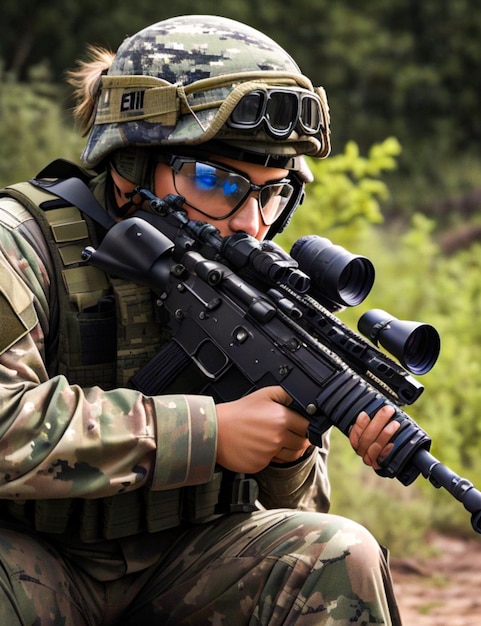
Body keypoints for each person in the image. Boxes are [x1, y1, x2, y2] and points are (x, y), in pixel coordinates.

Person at [0, 15, 402, 625]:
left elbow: (302, 508)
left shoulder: (253, 281)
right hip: (36, 561)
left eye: (274, 191)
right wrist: (210, 431)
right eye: (217, 181)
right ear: (131, 163)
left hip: (186, 570)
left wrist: (288, 451)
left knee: (340, 554)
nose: (251, 221)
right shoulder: (21, 241)